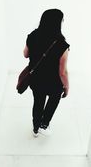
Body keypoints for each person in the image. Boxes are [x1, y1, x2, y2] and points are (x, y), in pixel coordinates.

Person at [23, 9, 70, 137]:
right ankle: (45, 124)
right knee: (53, 101)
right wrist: (66, 87)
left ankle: (35, 129)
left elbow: (25, 54)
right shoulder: (62, 45)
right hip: (54, 82)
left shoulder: (33, 35)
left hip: (36, 79)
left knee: (38, 102)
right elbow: (63, 72)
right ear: (58, 23)